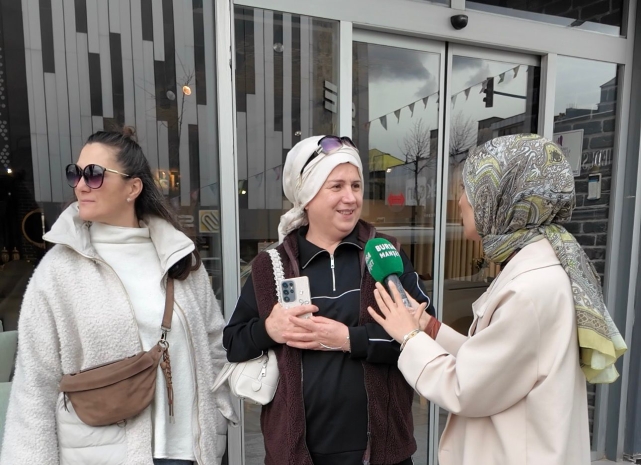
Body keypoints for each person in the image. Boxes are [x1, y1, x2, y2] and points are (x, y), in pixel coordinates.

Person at [368, 134, 628, 465]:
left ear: (501, 198)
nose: (460, 201)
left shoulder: (529, 290)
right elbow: (493, 362)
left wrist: (409, 336)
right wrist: (429, 327)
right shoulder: (539, 266)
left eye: (470, 189)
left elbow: (466, 387)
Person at [0, 129, 236, 465]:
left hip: (190, 452)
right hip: (102, 455)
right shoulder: (59, 270)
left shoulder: (179, 258)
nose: (81, 185)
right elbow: (35, 385)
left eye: (94, 174)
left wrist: (219, 410)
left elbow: (214, 342)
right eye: (75, 173)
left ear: (133, 188)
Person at [223, 135, 436, 465]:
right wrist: (269, 330)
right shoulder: (271, 266)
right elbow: (233, 342)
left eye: (356, 185)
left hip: (383, 454)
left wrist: (349, 339)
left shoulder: (385, 253)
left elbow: (421, 336)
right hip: (297, 457)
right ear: (307, 197)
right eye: (336, 186)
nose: (350, 197)